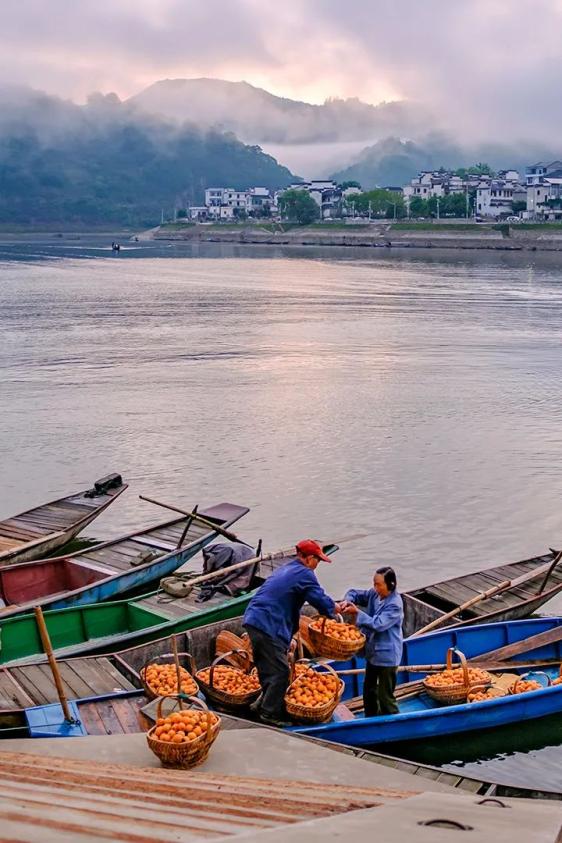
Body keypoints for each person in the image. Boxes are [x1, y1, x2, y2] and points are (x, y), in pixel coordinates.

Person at [243, 539, 343, 727]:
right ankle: (269, 713)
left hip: (255, 619)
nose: (317, 565)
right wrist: (335, 608)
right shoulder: (305, 574)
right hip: (267, 624)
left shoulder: (286, 568)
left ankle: (262, 703)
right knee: (281, 671)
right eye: (317, 560)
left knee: (267, 665)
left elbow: (289, 606)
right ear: (308, 558)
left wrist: (289, 637)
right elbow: (319, 598)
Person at [343, 566, 403, 717]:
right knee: (369, 690)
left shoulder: (395, 604)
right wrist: (347, 601)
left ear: (390, 585)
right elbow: (354, 593)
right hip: (373, 653)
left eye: (379, 585)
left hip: (387, 656)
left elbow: (378, 624)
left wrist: (357, 612)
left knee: (385, 696)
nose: (375, 588)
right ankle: (371, 719)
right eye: (374, 584)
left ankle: (393, 722)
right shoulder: (374, 595)